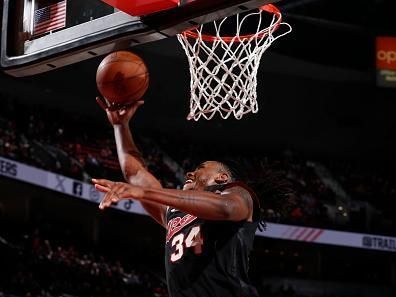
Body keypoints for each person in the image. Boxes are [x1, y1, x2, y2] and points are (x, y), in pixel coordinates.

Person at [93, 97, 264, 297]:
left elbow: (225, 208)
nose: (189, 174)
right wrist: (120, 127)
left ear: (222, 177)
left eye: (200, 169)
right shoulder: (173, 212)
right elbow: (136, 175)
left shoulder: (240, 194)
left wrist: (144, 193)